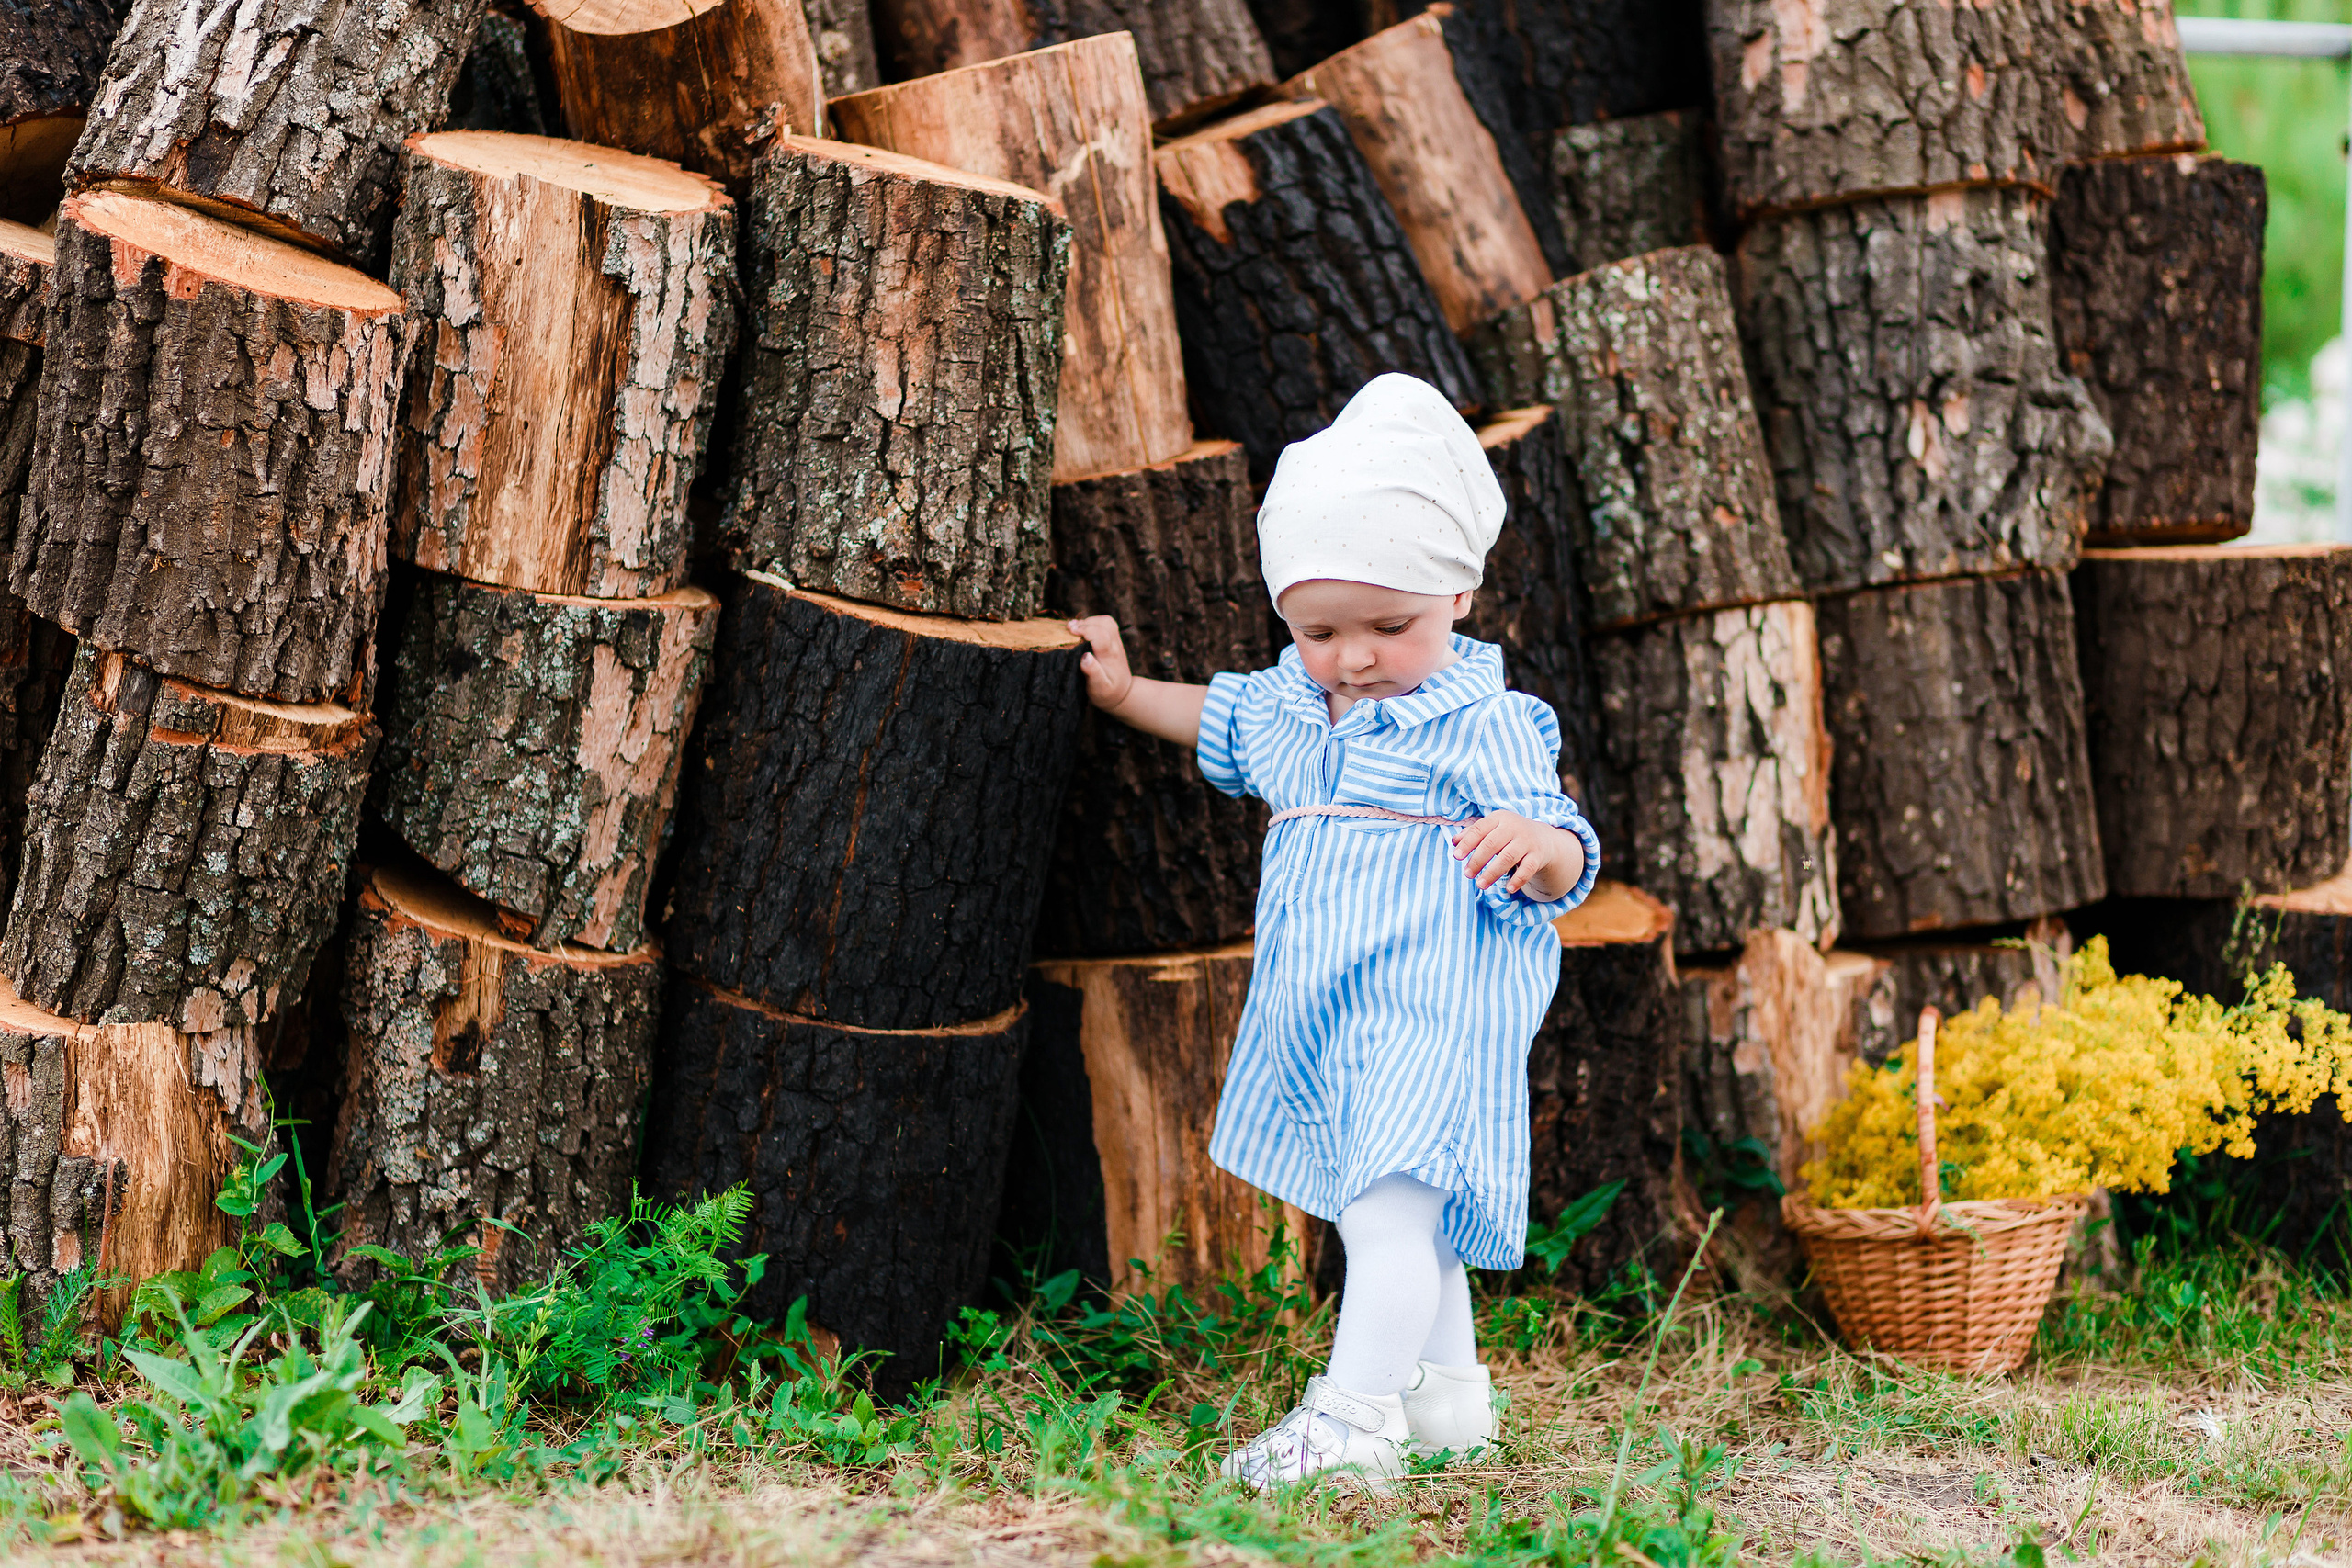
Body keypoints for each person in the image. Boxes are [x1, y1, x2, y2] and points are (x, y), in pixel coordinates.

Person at [1066, 373, 1601, 1491]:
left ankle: (1354, 1424)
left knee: (1384, 1207)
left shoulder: (1479, 719)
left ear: (1456, 594)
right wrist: (1122, 696)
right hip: (1328, 1017)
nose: (1353, 657)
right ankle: (1448, 1401)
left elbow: (1563, 844)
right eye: (1318, 629)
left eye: (1387, 626)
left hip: (1427, 1012)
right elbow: (1215, 715)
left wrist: (1528, 843)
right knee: (1410, 1208)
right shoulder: (1295, 713)